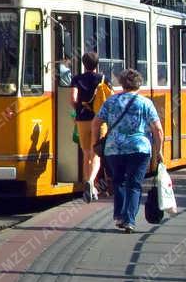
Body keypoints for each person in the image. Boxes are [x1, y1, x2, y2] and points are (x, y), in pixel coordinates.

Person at [90, 68, 164, 233]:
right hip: (139, 149)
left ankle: (119, 216)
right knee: (134, 184)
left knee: (118, 182)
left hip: (114, 150)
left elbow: (96, 122)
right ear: (139, 84)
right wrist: (159, 151)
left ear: (122, 84)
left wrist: (95, 142)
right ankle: (129, 220)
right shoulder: (145, 103)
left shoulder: (111, 101)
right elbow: (157, 130)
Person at [70, 52, 104, 201]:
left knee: (86, 153)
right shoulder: (102, 78)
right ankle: (92, 182)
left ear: (84, 64)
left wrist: (78, 110)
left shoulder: (77, 79)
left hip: (82, 118)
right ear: (97, 64)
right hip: (99, 119)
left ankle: (87, 185)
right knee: (96, 153)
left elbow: (73, 99)